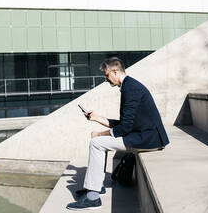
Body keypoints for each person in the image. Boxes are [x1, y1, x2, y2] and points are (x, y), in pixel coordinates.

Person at [66, 57, 169, 211]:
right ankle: (96, 186)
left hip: (148, 138)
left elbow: (125, 127)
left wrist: (100, 134)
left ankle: (93, 197)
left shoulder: (131, 88)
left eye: (107, 75)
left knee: (96, 143)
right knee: (100, 142)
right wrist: (96, 118)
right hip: (143, 134)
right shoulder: (129, 86)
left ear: (115, 71)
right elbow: (125, 123)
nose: (105, 79)